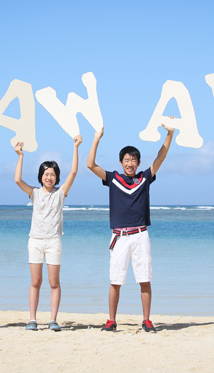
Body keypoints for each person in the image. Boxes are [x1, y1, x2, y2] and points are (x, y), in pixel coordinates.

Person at [87, 124, 175, 333]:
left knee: (144, 279)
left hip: (140, 234)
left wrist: (170, 134)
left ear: (138, 163)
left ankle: (146, 320)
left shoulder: (144, 178)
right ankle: (111, 320)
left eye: (133, 160)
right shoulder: (113, 179)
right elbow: (90, 164)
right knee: (115, 280)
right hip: (119, 236)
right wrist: (97, 137)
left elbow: (160, 158)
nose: (130, 164)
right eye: (126, 160)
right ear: (121, 162)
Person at [14, 135, 82, 331]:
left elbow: (75, 171)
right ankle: (32, 319)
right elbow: (18, 179)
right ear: (40, 176)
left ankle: (53, 319)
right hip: (35, 241)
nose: (49, 177)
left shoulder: (60, 194)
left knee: (54, 282)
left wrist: (75, 147)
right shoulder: (34, 193)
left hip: (53, 242)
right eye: (46, 173)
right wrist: (20, 156)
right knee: (35, 281)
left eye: (52, 174)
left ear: (56, 177)